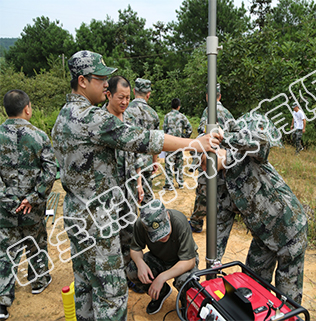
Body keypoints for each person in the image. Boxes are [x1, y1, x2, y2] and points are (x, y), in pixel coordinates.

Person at [51, 50, 221, 321]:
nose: (106, 85)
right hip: (99, 219)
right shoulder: (90, 118)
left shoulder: (63, 116)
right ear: (82, 81)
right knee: (111, 292)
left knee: (84, 284)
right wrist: (195, 143)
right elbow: (143, 139)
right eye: (100, 79)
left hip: (75, 214)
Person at [203, 112, 308, 305]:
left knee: (287, 298)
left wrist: (224, 136)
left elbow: (262, 141)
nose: (207, 166)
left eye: (210, 159)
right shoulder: (220, 186)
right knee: (251, 286)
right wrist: (211, 268)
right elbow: (220, 227)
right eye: (204, 164)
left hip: (289, 229)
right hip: (263, 236)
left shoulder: (246, 155)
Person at [0, 90, 57, 320]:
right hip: (32, 207)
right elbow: (51, 171)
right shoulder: (39, 136)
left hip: (5, 208)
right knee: (36, 242)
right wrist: (32, 198)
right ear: (27, 108)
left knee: (5, 250)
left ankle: (3, 300)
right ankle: (38, 281)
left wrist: (7, 199)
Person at [125, 199, 198, 315]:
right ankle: (161, 293)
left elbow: (189, 261)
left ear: (168, 215)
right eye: (156, 234)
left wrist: (162, 277)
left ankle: (186, 302)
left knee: (188, 282)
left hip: (181, 260)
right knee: (132, 271)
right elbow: (135, 248)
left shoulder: (179, 221)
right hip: (158, 257)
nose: (162, 237)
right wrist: (140, 263)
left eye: (165, 231)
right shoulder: (141, 223)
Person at [188, 84, 237, 254]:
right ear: (220, 96)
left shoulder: (209, 110)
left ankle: (196, 222)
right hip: (225, 160)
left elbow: (204, 133)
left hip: (210, 158)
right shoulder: (229, 114)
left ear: (208, 96)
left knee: (203, 189)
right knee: (220, 192)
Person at [102, 75, 145, 269]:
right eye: (121, 97)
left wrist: (139, 184)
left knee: (130, 232)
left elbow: (136, 154)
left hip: (128, 190)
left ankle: (130, 272)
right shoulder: (99, 122)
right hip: (107, 194)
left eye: (128, 97)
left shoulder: (130, 120)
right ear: (108, 95)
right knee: (109, 235)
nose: (125, 102)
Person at [127, 79, 160, 204]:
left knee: (129, 202)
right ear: (148, 94)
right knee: (147, 202)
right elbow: (155, 142)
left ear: (134, 91)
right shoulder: (153, 114)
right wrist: (155, 161)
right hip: (146, 163)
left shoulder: (125, 110)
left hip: (129, 164)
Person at [162, 98, 193, 190]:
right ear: (179, 107)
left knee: (169, 163)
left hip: (170, 143)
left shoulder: (167, 116)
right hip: (179, 143)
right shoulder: (182, 116)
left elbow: (164, 130)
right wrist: (184, 137)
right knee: (179, 163)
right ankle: (180, 183)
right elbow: (190, 128)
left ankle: (169, 184)